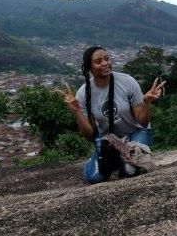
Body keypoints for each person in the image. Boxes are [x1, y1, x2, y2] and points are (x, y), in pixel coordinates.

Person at [59, 46, 165, 184]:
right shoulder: (84, 94)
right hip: (109, 140)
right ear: (89, 67)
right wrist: (77, 112)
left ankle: (118, 158)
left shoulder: (127, 82)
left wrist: (145, 103)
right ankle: (104, 157)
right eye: (98, 61)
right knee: (95, 178)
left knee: (129, 171)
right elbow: (90, 135)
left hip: (136, 131)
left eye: (107, 59)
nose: (105, 63)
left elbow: (143, 123)